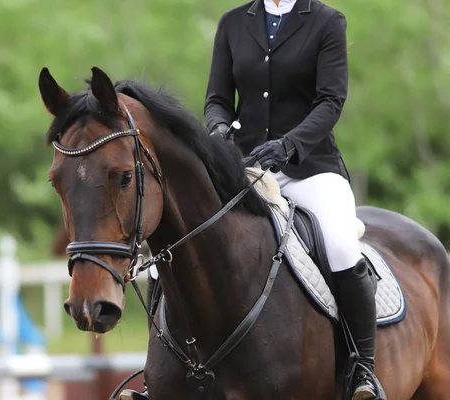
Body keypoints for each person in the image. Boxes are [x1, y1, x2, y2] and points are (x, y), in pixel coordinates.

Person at [204, 0, 386, 399]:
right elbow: (218, 98)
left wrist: (289, 145)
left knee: (340, 245)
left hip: (310, 166)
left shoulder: (326, 21)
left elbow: (330, 101)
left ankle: (362, 371)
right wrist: (218, 130)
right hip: (246, 168)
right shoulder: (233, 23)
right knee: (187, 239)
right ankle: (162, 374)